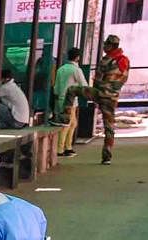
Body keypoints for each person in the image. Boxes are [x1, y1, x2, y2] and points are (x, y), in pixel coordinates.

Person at [69, 35, 129, 165]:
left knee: (72, 90)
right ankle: (107, 157)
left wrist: (96, 94)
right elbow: (123, 80)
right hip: (112, 98)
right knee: (109, 126)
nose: (104, 47)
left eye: (106, 44)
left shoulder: (106, 60)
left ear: (111, 46)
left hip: (101, 94)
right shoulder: (125, 60)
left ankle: (63, 117)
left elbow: (97, 80)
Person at [53, 47, 88, 157]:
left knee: (71, 123)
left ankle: (68, 147)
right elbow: (84, 85)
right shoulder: (76, 70)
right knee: (67, 124)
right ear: (78, 57)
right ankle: (61, 149)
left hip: (60, 99)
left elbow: (56, 88)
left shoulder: (61, 69)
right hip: (70, 101)